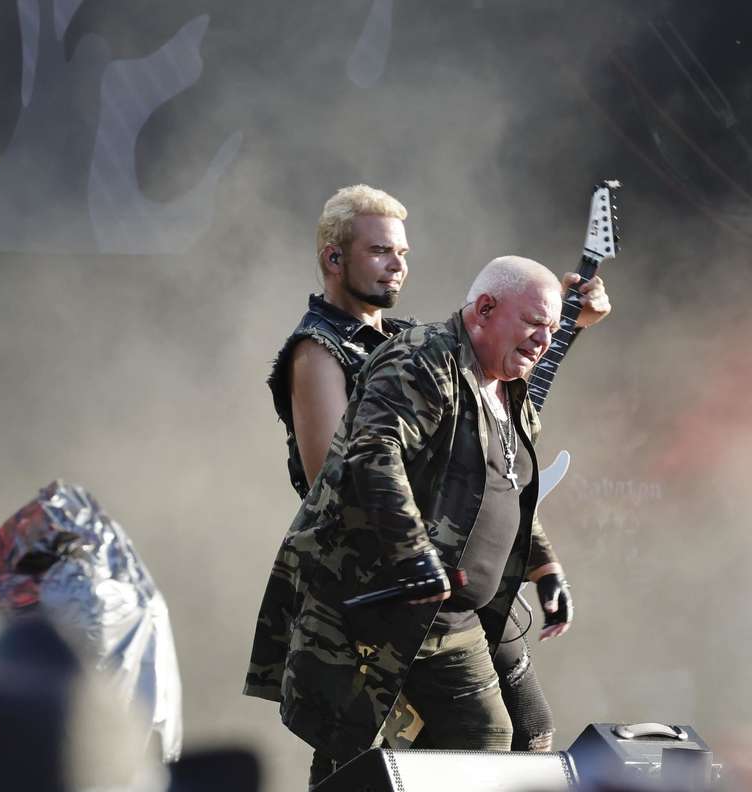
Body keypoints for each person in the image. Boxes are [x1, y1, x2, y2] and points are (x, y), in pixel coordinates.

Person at [257, 186, 609, 775]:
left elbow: (490, 437)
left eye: (403, 252)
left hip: (453, 588)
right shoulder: (321, 352)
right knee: (377, 756)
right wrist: (416, 552)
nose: (398, 265)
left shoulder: (412, 341)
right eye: (380, 251)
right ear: (333, 258)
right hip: (379, 592)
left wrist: (561, 325)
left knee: (518, 735)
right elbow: (339, 478)